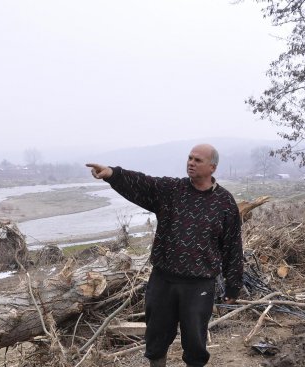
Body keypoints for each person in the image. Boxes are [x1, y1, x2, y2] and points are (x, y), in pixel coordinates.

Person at [86, 143, 243, 367]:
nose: (191, 162)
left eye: (198, 160)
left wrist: (233, 284)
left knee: (195, 343)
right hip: (163, 280)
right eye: (190, 158)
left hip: (199, 285)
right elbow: (142, 183)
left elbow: (233, 245)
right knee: (156, 338)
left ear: (212, 168)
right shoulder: (171, 190)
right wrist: (112, 174)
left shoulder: (224, 202)